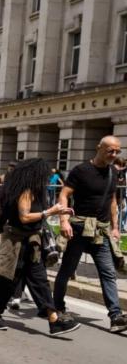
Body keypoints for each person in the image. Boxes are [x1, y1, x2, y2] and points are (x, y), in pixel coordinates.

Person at [0, 158, 80, 335]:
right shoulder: (26, 191)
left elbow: (34, 216)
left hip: (32, 243)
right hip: (16, 243)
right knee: (8, 280)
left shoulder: (37, 191)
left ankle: (54, 320)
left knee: (39, 280)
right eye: (44, 175)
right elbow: (24, 217)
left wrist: (59, 211)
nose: (46, 178)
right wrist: (50, 212)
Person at [54, 135, 127, 333]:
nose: (114, 154)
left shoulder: (112, 172)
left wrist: (115, 227)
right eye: (110, 150)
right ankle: (57, 308)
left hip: (100, 231)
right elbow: (64, 194)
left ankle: (115, 316)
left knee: (108, 272)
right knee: (67, 270)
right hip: (78, 229)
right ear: (98, 147)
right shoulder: (81, 170)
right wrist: (64, 220)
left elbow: (112, 201)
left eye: (117, 151)